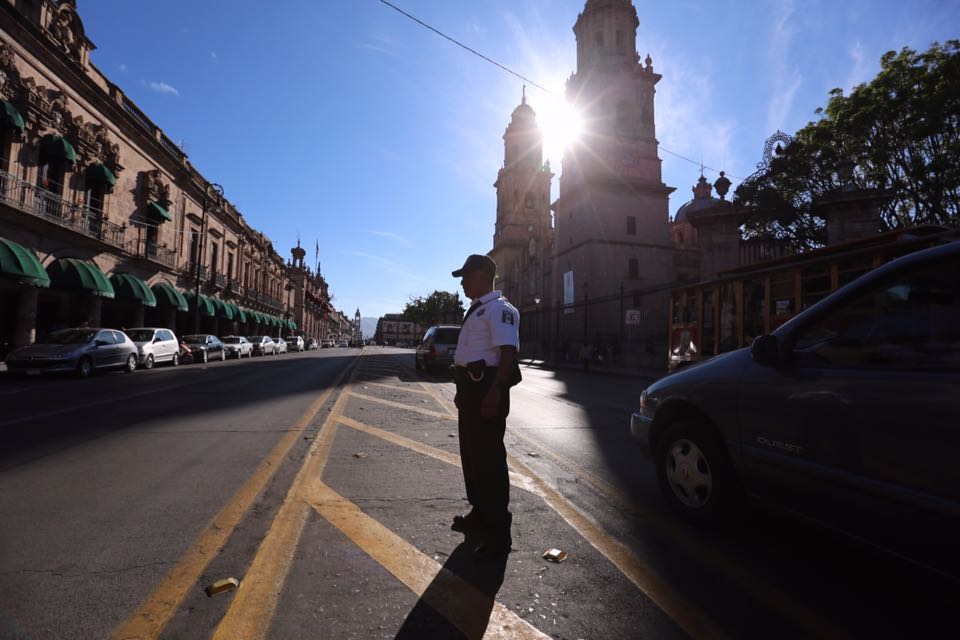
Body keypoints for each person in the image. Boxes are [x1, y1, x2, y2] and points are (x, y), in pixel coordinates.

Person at [449, 254, 520, 559]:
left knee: (490, 461)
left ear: (481, 276)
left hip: (487, 389)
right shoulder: (478, 309)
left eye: (466, 277)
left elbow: (507, 355)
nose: (463, 283)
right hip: (471, 390)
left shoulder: (500, 309)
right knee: (472, 457)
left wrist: (495, 392)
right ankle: (479, 513)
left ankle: (499, 532)